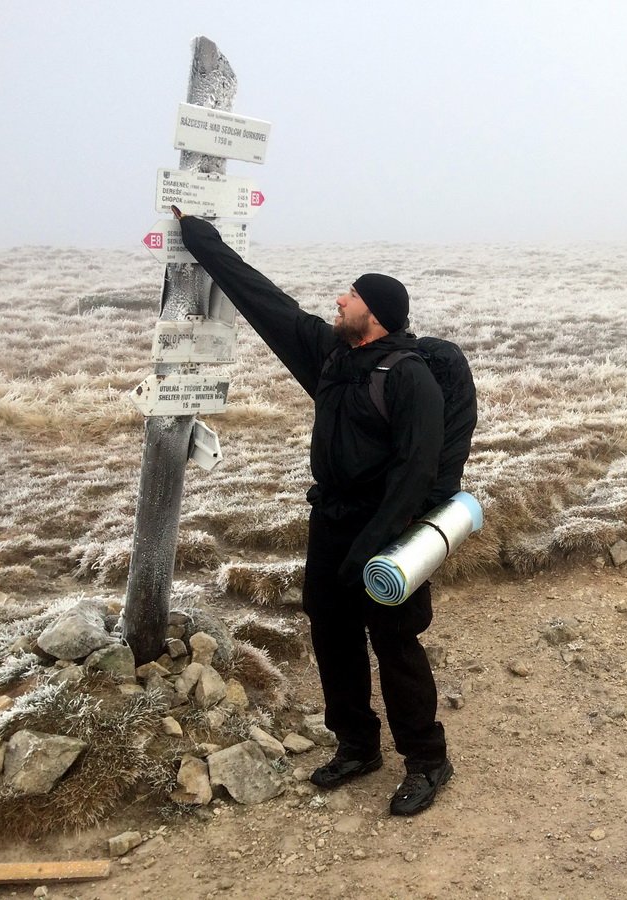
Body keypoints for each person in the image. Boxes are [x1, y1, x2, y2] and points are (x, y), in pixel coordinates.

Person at [173, 207, 453, 815]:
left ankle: (428, 761)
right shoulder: (331, 355)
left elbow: (415, 475)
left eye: (348, 297)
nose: (338, 300)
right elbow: (264, 301)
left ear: (373, 315)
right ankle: (356, 744)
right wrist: (204, 242)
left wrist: (371, 545)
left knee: (396, 643)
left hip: (390, 533)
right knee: (331, 635)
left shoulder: (410, 380)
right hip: (330, 521)